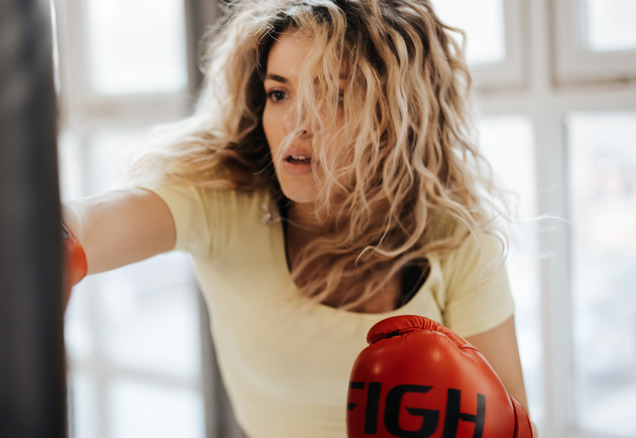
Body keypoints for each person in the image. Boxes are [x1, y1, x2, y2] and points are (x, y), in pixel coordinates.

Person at [62, 0, 533, 436]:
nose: (297, 124)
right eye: (280, 93)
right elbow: (88, 223)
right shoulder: (222, 203)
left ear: (393, 116)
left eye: (335, 95)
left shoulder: (456, 239)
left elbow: (516, 425)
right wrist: (52, 239)